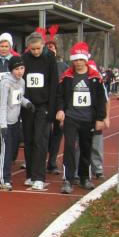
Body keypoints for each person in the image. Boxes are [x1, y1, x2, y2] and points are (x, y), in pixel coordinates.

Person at [56, 42, 107, 194]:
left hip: (88, 119)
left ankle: (84, 177)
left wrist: (100, 118)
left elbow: (101, 99)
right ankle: (68, 179)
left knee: (86, 148)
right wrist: (60, 110)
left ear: (86, 59)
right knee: (69, 147)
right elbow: (60, 95)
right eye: (75, 60)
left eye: (81, 59)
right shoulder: (67, 77)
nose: (78, 62)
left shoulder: (95, 77)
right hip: (71, 117)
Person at [21, 31, 59, 191]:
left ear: (43, 45)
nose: (36, 51)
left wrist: (52, 109)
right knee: (29, 140)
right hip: (28, 105)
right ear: (28, 48)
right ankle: (30, 175)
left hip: (44, 106)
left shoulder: (50, 58)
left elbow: (54, 84)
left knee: (40, 141)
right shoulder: (24, 58)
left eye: (38, 48)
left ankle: (39, 177)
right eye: (33, 49)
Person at [0, 56, 33, 191]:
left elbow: (19, 97)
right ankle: (4, 180)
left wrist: (27, 103)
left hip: (16, 121)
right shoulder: (5, 84)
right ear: (11, 70)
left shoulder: (22, 81)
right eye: (16, 69)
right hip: (5, 122)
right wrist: (3, 125)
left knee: (12, 152)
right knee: (5, 152)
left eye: (22, 68)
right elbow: (2, 105)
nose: (19, 71)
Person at [45, 39, 68, 174]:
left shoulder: (63, 66)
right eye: (48, 47)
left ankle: (52, 163)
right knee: (45, 133)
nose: (50, 49)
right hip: (46, 105)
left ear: (56, 50)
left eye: (52, 47)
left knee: (58, 134)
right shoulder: (42, 64)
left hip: (60, 105)